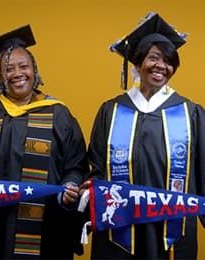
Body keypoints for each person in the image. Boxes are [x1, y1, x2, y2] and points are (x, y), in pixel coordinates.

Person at [0, 25, 89, 259]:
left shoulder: (58, 115)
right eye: (8, 69)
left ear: (35, 70)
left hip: (42, 231)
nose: (17, 73)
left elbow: (76, 166)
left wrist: (69, 188)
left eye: (24, 66)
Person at [80, 12, 205, 260]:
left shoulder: (190, 114)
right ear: (137, 63)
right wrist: (90, 188)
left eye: (168, 61)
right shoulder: (112, 111)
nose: (161, 66)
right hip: (120, 232)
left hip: (172, 231)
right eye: (154, 57)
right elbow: (96, 167)